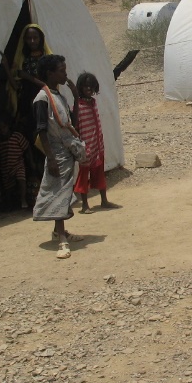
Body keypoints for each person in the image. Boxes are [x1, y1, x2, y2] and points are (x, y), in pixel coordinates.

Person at [32, 54, 82, 259]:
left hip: (65, 152)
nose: (65, 73)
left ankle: (57, 231)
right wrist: (51, 158)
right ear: (50, 74)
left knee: (63, 190)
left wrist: (76, 96)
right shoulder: (42, 99)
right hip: (56, 153)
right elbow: (41, 130)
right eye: (61, 70)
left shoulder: (58, 96)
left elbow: (71, 121)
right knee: (60, 193)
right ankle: (61, 238)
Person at [73, 72, 119, 214]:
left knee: (99, 172)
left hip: (98, 145)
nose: (88, 89)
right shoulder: (78, 105)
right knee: (84, 174)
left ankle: (104, 200)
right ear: (80, 87)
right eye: (86, 86)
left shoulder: (92, 102)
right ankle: (85, 205)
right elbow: (76, 125)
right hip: (86, 146)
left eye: (91, 86)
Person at [0, 116, 32, 209]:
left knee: (21, 180)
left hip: (18, 164)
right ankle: (10, 203)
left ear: (8, 126)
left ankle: (23, 200)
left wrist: (30, 161)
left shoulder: (17, 136)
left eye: (4, 127)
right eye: (0, 129)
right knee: (8, 188)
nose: (2, 131)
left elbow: (27, 147)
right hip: (5, 167)